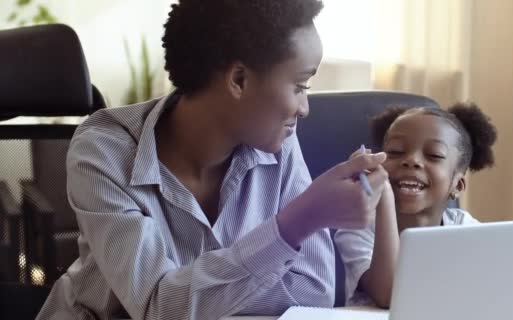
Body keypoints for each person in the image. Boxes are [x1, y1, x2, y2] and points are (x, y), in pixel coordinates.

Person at [37, 1, 389, 319]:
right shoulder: (105, 150)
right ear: (239, 80)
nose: (304, 108)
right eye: (300, 86)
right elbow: (158, 307)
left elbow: (313, 291)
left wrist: (194, 297)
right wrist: (296, 222)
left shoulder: (278, 141)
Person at [335, 103, 497, 307]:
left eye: (434, 155)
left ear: (457, 184)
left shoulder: (465, 228)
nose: (411, 160)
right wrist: (383, 196)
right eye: (395, 151)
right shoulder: (359, 228)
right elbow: (389, 297)